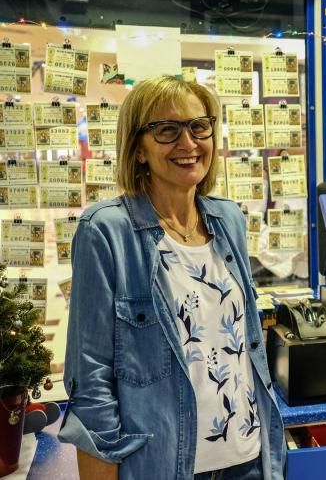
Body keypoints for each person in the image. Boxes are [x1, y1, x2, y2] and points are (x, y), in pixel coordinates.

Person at [58, 75, 285, 480]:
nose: (188, 143)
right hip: (164, 465)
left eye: (199, 126)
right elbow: (91, 380)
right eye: (166, 130)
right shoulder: (106, 231)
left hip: (250, 460)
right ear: (138, 148)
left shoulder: (228, 218)